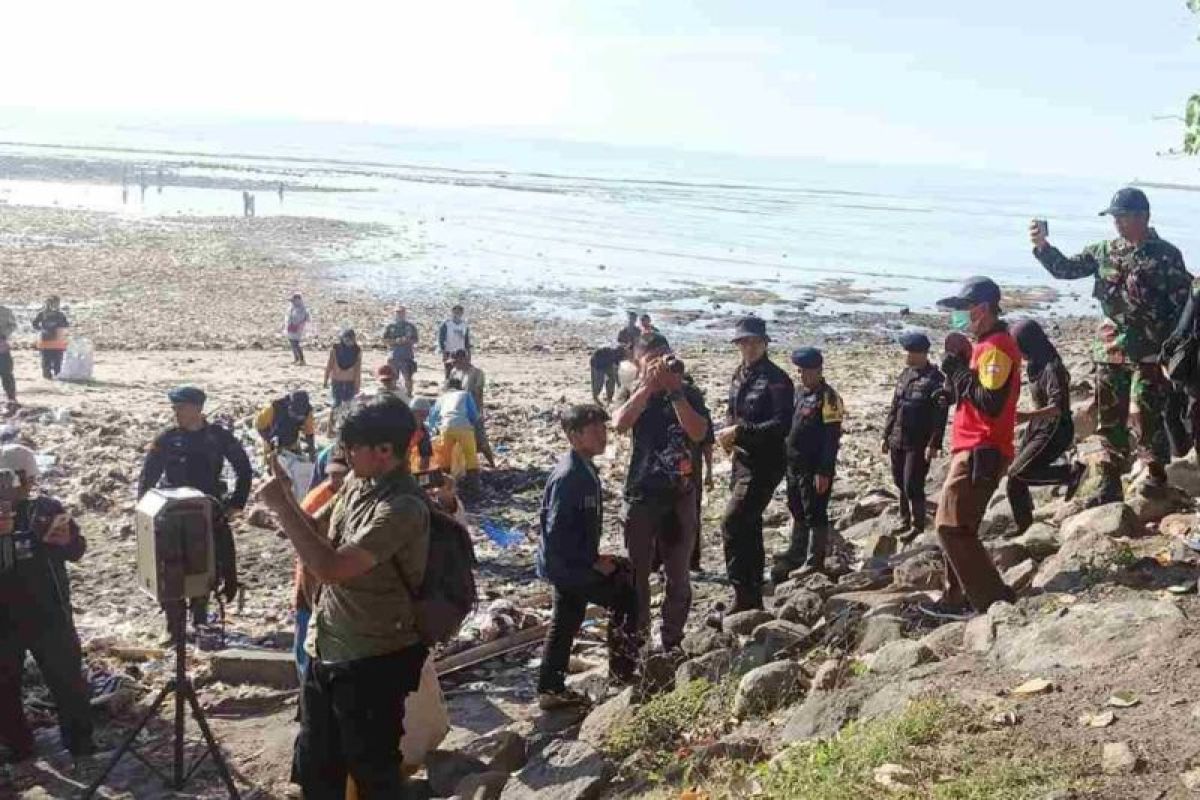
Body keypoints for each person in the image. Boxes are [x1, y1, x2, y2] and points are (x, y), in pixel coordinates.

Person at [255, 396, 431, 798]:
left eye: (353, 448)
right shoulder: (359, 482)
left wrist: (282, 507)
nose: (346, 455)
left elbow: (332, 567)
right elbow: (318, 531)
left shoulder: (402, 507)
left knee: (373, 772)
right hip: (327, 644)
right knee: (317, 764)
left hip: (373, 657)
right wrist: (283, 503)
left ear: (385, 450)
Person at [1030, 188, 1191, 504]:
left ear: (1143, 217)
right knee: (1110, 418)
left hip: (1151, 350)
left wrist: (1172, 351)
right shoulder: (1104, 251)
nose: (1117, 223)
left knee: (1148, 415)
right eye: (1114, 217)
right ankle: (1109, 483)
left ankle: (1155, 475)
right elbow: (1066, 269)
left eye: (1123, 216)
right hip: (1111, 348)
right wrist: (1042, 246)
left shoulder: (1166, 255)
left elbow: (1182, 306)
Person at [925, 277, 1020, 618]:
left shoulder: (996, 347)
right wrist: (954, 388)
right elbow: (976, 392)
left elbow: (991, 402)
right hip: (971, 445)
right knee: (955, 523)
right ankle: (955, 597)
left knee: (952, 528)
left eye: (962, 310)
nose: (958, 317)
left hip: (983, 448)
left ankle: (991, 600)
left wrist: (958, 372)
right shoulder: (983, 345)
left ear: (981, 309)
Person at [613, 333, 710, 652]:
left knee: (678, 575)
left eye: (664, 355)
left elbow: (698, 432)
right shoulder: (633, 391)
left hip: (679, 495)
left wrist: (674, 392)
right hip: (643, 493)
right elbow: (619, 424)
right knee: (637, 574)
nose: (660, 363)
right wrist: (647, 389)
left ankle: (671, 639)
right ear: (639, 361)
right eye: (651, 358)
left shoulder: (687, 392)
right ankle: (637, 639)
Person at [536, 405, 638, 709]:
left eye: (603, 430)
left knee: (566, 619)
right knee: (624, 597)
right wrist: (593, 562)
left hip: (569, 562)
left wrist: (595, 555)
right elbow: (557, 532)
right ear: (574, 436)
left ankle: (550, 688)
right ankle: (622, 675)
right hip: (568, 565)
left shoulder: (584, 468)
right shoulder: (570, 476)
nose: (603, 436)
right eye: (595, 431)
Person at [0, 445, 94, 760]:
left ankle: (81, 747)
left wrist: (65, 539)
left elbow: (77, 549)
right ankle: (19, 747)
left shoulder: (46, 509)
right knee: (4, 687)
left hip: (48, 613)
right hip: (5, 618)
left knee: (67, 681)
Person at [138, 387, 252, 638]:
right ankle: (174, 626)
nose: (175, 413)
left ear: (197, 409)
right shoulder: (166, 439)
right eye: (174, 408)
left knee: (206, 564)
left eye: (181, 408)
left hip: (207, 510)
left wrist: (236, 504)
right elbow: (147, 478)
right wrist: (145, 514)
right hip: (172, 514)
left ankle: (200, 618)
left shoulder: (218, 437)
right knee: (170, 568)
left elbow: (244, 469)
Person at [716, 317, 794, 611]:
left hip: (765, 463)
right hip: (741, 459)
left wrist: (741, 432)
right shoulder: (739, 373)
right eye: (742, 342)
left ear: (764, 343)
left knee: (732, 522)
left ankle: (742, 592)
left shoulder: (777, 379)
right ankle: (751, 594)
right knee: (748, 524)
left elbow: (782, 424)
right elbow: (732, 409)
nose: (747, 347)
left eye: (753, 341)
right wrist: (728, 432)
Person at [774, 347, 844, 581]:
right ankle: (797, 550)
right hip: (794, 463)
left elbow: (831, 439)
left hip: (815, 467)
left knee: (815, 511)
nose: (802, 375)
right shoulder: (799, 394)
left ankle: (815, 561)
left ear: (818, 370)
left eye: (806, 371)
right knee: (797, 507)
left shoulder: (829, 398)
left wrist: (824, 471)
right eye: (800, 371)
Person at [1008, 320, 1085, 533]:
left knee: (1019, 473)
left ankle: (1070, 473)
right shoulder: (1034, 363)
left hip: (1056, 429)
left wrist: (1027, 416)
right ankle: (1024, 525)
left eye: (1017, 345)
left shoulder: (1052, 368)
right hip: (1038, 426)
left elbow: (1058, 407)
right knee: (1013, 478)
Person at [880, 332, 948, 541]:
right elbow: (895, 406)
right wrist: (886, 435)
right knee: (899, 481)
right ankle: (904, 519)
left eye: (909, 352)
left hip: (918, 442)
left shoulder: (936, 380)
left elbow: (940, 415)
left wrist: (934, 443)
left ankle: (918, 525)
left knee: (913, 483)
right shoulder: (905, 374)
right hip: (898, 437)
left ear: (920, 354)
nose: (906, 356)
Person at [293, 448, 350, 681]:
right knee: (306, 640)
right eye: (332, 475)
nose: (335, 480)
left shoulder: (356, 494)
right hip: (314, 576)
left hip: (341, 579)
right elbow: (305, 534)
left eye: (341, 475)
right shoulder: (317, 499)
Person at [428, 378, 481, 482]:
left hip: (446, 428)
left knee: (445, 457)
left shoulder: (442, 398)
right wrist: (473, 424)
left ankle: (445, 483)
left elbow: (432, 417)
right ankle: (473, 483)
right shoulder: (465, 394)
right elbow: (473, 415)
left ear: (447, 387)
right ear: (460, 386)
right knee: (470, 455)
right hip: (464, 428)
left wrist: (433, 430)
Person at [449, 349, 495, 468]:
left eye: (456, 361)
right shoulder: (454, 372)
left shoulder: (477, 373)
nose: (454, 364)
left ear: (464, 359)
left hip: (473, 410)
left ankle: (492, 464)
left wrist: (479, 412)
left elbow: (478, 393)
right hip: (458, 411)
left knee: (481, 439)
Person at [255, 390, 318, 459]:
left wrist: (312, 452)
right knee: (270, 460)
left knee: (297, 459)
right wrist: (268, 440)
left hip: (292, 440)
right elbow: (259, 426)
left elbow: (309, 433)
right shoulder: (274, 408)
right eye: (294, 414)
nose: (296, 417)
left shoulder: (307, 413)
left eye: (299, 416)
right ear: (289, 406)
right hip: (273, 437)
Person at [324, 328, 363, 427]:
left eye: (351, 339)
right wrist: (325, 379)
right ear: (342, 339)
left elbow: (358, 370)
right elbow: (329, 365)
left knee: (348, 405)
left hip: (350, 382)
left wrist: (357, 386)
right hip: (337, 381)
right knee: (336, 404)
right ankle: (330, 428)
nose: (349, 342)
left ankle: (345, 427)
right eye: (347, 339)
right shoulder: (335, 349)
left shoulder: (357, 351)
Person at [382, 306, 420, 397]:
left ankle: (409, 395)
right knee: (392, 377)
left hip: (407, 356)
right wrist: (396, 341)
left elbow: (416, 340)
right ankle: (392, 395)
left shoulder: (410, 326)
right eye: (397, 312)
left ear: (405, 313)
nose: (399, 314)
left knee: (408, 377)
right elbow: (384, 340)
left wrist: (407, 341)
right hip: (393, 356)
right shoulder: (390, 326)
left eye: (401, 312)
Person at [31, 296, 69, 380]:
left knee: (53, 363)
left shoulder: (59, 314)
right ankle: (52, 379)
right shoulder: (56, 314)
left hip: (53, 342)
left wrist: (42, 330)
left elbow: (35, 324)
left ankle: (51, 379)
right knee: (51, 363)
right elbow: (66, 325)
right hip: (49, 342)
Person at [437, 305, 471, 379]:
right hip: (449, 351)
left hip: (461, 352)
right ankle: (448, 386)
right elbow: (441, 340)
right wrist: (443, 353)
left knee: (461, 372)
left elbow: (466, 341)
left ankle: (459, 388)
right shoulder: (446, 324)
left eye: (459, 312)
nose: (456, 314)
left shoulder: (464, 325)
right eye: (455, 312)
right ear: (452, 313)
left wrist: (469, 354)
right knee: (449, 371)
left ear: (462, 313)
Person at [409, 397, 435, 473]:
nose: (422, 419)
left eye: (425, 416)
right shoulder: (401, 426)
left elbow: (425, 456)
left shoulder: (423, 432)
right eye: (420, 415)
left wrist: (421, 476)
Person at [285, 294, 310, 366]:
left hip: (298, 327)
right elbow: (288, 316)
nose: (292, 302)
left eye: (294, 300)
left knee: (296, 343)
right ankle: (296, 358)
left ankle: (302, 360)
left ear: (298, 300)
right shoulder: (292, 307)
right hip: (290, 327)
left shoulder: (303, 308)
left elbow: (306, 319)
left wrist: (300, 325)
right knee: (292, 342)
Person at [0, 305, 17, 411]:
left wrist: (4, 334)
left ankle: (11, 398)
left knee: (7, 374)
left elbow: (13, 325)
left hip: (2, 349)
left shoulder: (5, 311)